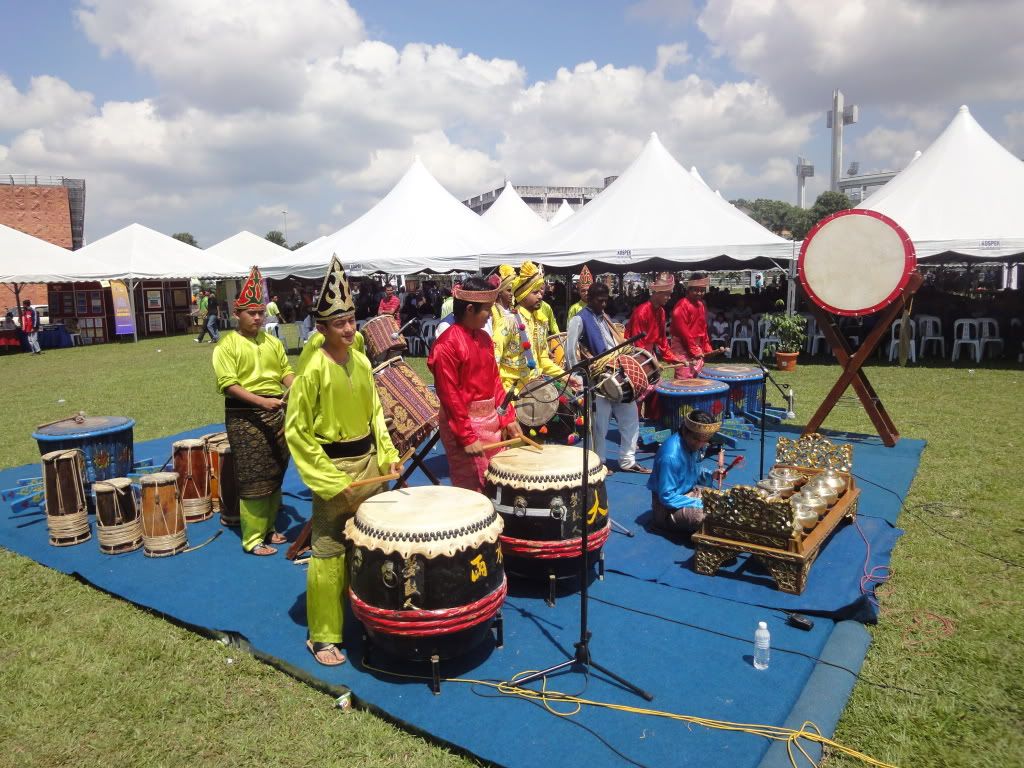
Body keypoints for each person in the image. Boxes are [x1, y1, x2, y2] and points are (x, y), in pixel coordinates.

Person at [285, 255, 401, 667]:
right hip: (334, 474)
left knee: (371, 547)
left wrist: (387, 457)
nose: (350, 329)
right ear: (322, 327)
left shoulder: (363, 361)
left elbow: (376, 418)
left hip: (369, 470)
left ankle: (368, 618)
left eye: (352, 320)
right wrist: (326, 479)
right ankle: (324, 635)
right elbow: (296, 430)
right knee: (329, 551)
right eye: (340, 323)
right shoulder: (313, 368)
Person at [212, 267, 294, 556]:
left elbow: (285, 372)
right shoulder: (227, 345)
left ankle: (270, 528)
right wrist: (261, 402)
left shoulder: (271, 342)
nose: (258, 317)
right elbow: (228, 385)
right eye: (251, 313)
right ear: (238, 314)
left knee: (276, 471)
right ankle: (253, 538)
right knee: (253, 476)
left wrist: (297, 386)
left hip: (276, 412)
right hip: (245, 417)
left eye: (260, 312)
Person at [428, 277, 521, 491]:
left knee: (497, 483)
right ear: (470, 309)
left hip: (491, 422)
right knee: (474, 490)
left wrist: (507, 417)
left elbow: (495, 381)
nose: (490, 315)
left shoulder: (484, 338)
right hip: (463, 425)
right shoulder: (447, 345)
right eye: (487, 310)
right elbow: (450, 396)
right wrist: (467, 437)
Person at [566, 282, 646, 474]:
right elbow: (570, 350)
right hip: (598, 379)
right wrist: (576, 376)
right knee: (600, 424)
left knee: (630, 417)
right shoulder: (579, 319)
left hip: (618, 375)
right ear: (590, 298)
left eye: (605, 300)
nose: (603, 304)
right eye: (599, 301)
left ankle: (628, 460)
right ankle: (599, 462)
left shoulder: (605, 318)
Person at [647, 410, 724, 534]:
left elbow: (691, 470)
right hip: (666, 509)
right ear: (684, 430)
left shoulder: (691, 443)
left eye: (705, 440)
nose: (700, 444)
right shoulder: (670, 457)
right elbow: (667, 497)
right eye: (696, 439)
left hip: (687, 494)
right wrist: (700, 503)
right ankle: (662, 524)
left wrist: (711, 474)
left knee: (725, 501)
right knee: (708, 517)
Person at [496, 261, 565, 396]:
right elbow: (494, 359)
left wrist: (565, 376)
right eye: (534, 292)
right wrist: (500, 395)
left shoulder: (541, 321)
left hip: (534, 389)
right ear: (522, 294)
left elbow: (542, 360)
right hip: (511, 394)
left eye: (540, 291)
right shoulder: (509, 322)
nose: (540, 295)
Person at [669, 273, 726, 379]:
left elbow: (703, 328)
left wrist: (707, 348)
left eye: (702, 290)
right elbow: (683, 332)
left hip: (696, 345)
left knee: (697, 377)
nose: (699, 293)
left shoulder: (701, 305)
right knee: (684, 378)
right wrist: (694, 350)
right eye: (696, 290)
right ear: (689, 290)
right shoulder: (682, 305)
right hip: (682, 345)